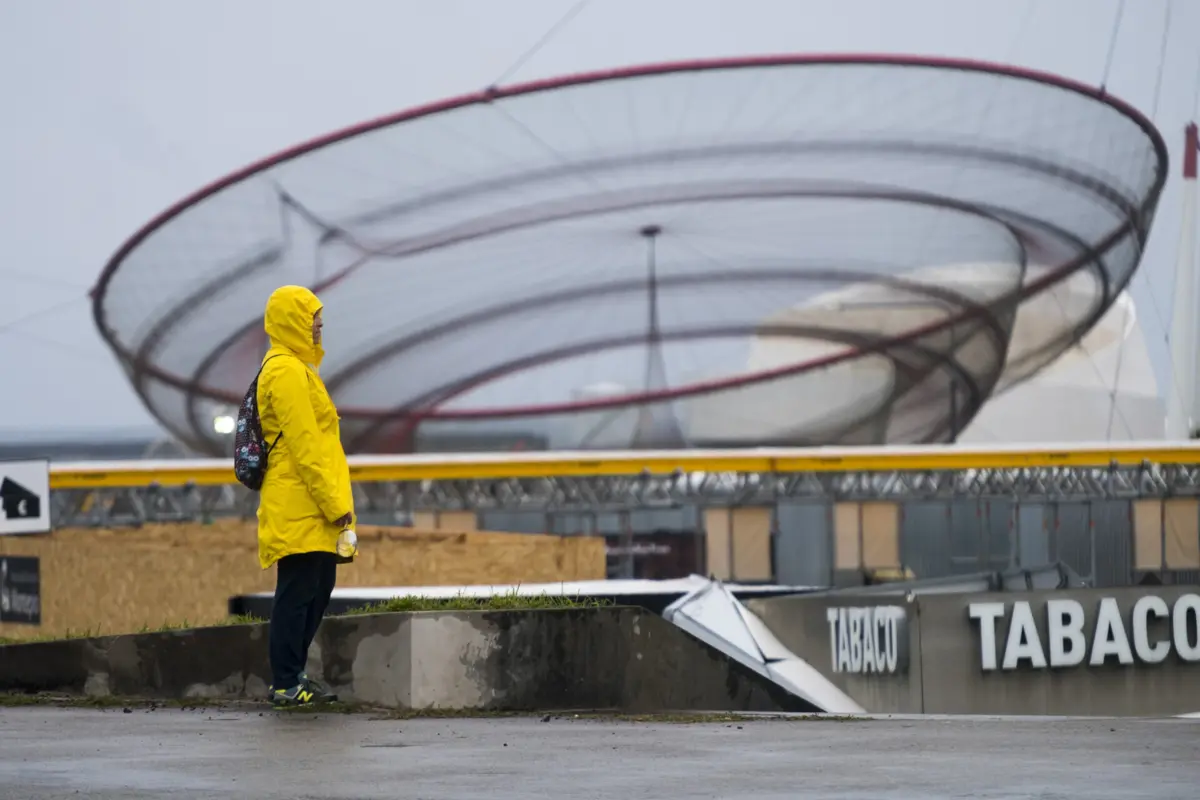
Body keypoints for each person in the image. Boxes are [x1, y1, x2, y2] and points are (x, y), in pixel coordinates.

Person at [255, 284, 355, 708]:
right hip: (301, 501)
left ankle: (294, 675)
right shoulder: (286, 371)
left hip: (307, 502)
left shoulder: (297, 368)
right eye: (312, 317)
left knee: (318, 585)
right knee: (296, 592)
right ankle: (285, 681)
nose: (319, 325)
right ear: (293, 320)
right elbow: (305, 446)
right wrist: (336, 507)